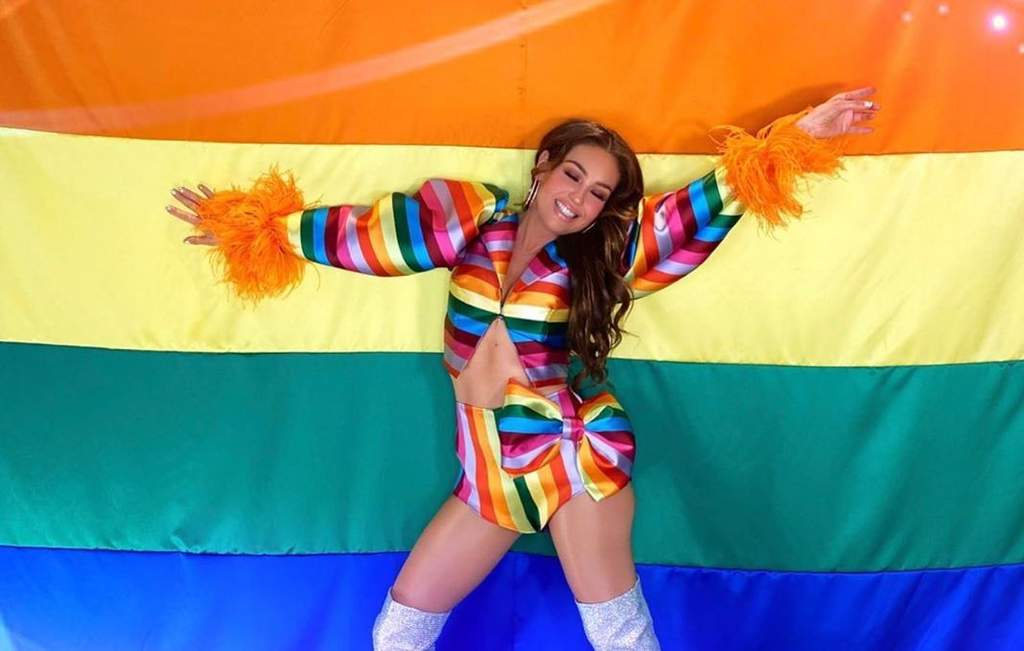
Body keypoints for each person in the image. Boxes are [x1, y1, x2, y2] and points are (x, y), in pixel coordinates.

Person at [166, 87, 878, 650]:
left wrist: (797, 136)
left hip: (571, 460)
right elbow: (372, 239)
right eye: (574, 174)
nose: (580, 197)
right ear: (543, 168)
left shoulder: (600, 259)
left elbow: (696, 210)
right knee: (398, 632)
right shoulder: (473, 224)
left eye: (599, 193)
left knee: (621, 637)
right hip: (486, 469)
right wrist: (265, 228)